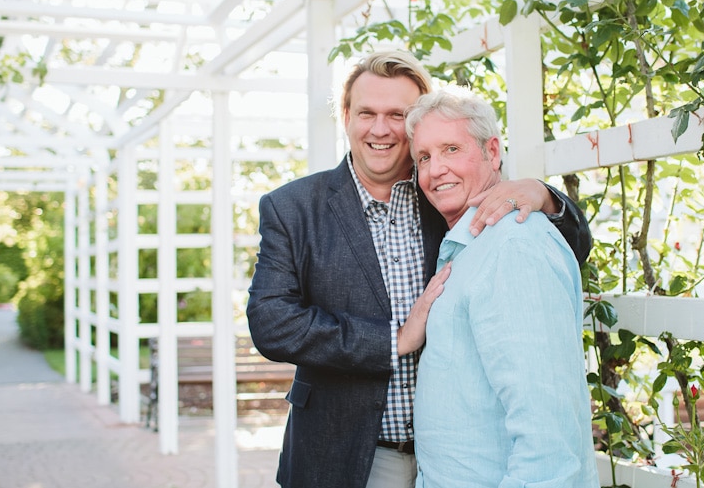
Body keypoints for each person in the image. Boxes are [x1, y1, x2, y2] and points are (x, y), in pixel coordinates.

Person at [246, 50, 592, 488]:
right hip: (351, 455)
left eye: (398, 114)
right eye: (367, 112)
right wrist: (392, 340)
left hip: (456, 460)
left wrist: (545, 195)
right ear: (347, 116)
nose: (380, 128)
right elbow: (271, 322)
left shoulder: (446, 195)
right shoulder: (293, 208)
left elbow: (561, 248)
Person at [407, 85, 599, 487]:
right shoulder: (474, 242)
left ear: (492, 152)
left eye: (451, 149)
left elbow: (546, 433)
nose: (434, 169)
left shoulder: (512, 245)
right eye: (424, 157)